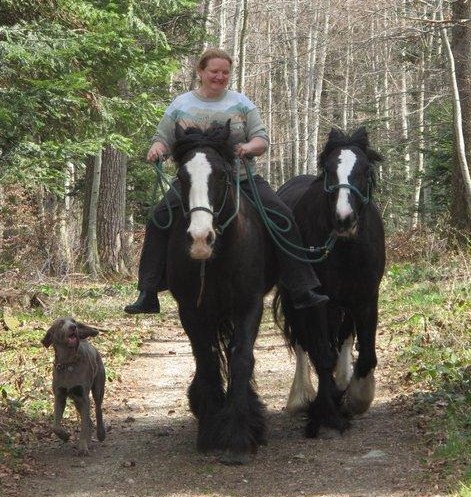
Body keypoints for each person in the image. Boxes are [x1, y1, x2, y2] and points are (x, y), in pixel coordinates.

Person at [124, 48, 328, 314]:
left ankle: (301, 286)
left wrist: (248, 147)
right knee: (158, 219)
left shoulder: (242, 103)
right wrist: (157, 149)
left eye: (225, 72)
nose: (220, 77)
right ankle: (148, 291)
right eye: (214, 72)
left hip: (242, 180)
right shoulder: (181, 105)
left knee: (282, 217)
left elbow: (261, 139)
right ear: (201, 72)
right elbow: (162, 138)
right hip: (195, 183)